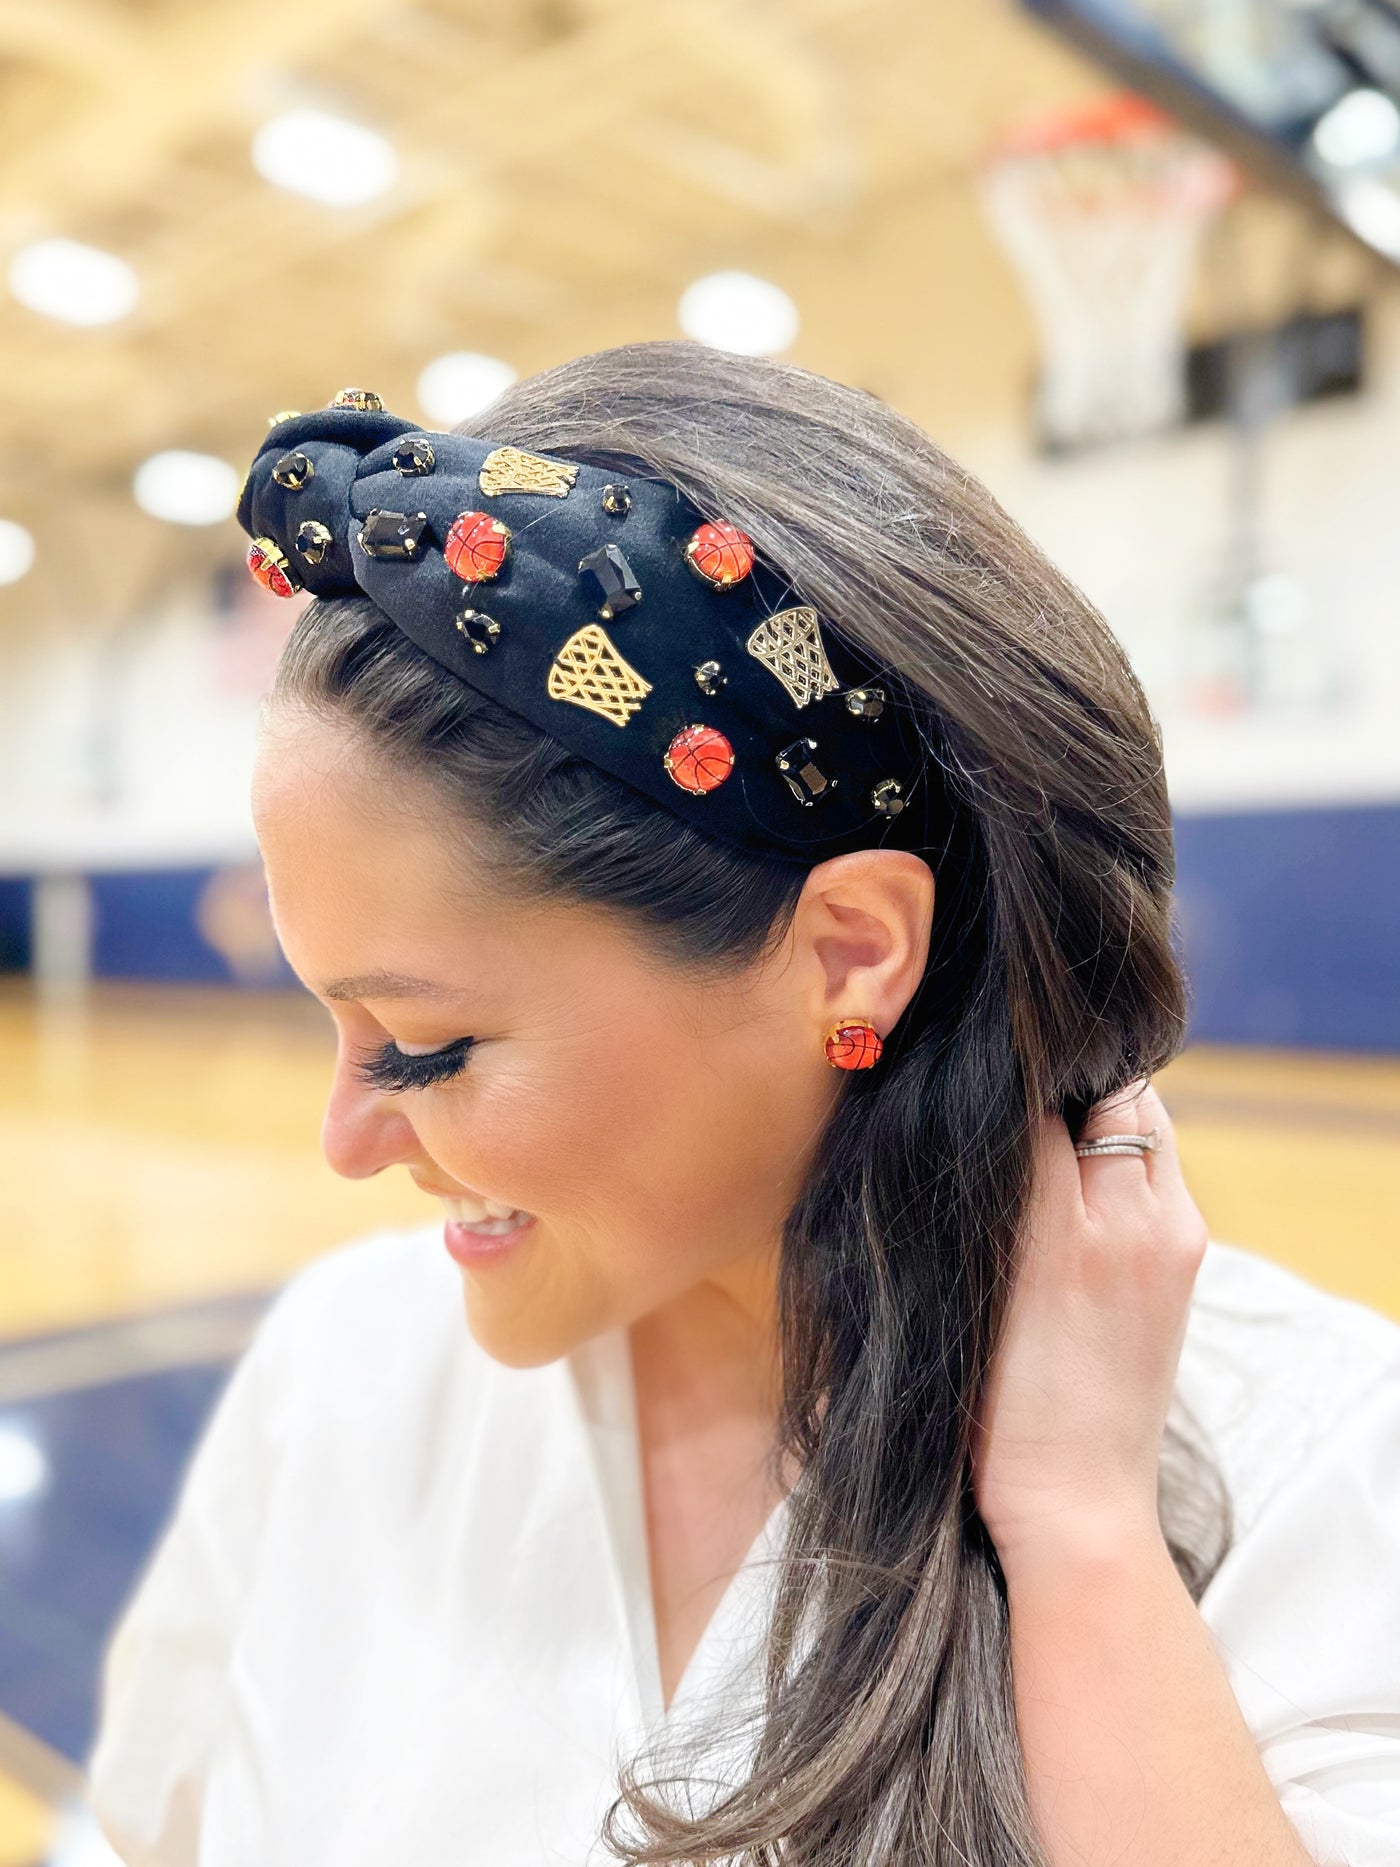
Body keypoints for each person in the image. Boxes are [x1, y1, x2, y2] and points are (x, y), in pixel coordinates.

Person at [88, 344, 1400, 1866]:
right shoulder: (340, 1370)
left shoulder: (1314, 1459)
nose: (348, 1139)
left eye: (430, 1046)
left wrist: (1086, 1539)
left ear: (850, 956)